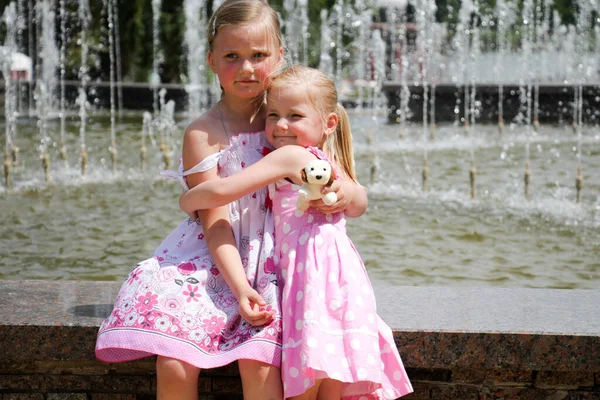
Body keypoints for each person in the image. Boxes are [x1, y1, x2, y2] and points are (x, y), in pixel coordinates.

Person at [95, 1, 367, 399]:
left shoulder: (294, 119)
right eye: (231, 56)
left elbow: (344, 180)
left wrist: (346, 193)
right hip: (215, 257)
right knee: (173, 361)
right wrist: (239, 287)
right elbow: (213, 219)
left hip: (278, 257)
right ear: (210, 60)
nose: (247, 68)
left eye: (259, 56)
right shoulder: (202, 135)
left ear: (279, 56)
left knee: (259, 362)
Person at [180, 65, 413, 400]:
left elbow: (223, 191)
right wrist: (349, 196)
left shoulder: (291, 156)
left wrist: (187, 198)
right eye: (273, 114)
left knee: (306, 379)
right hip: (343, 283)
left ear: (329, 123)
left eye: (295, 115)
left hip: (313, 281)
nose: (281, 125)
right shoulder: (315, 156)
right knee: (332, 378)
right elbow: (359, 203)